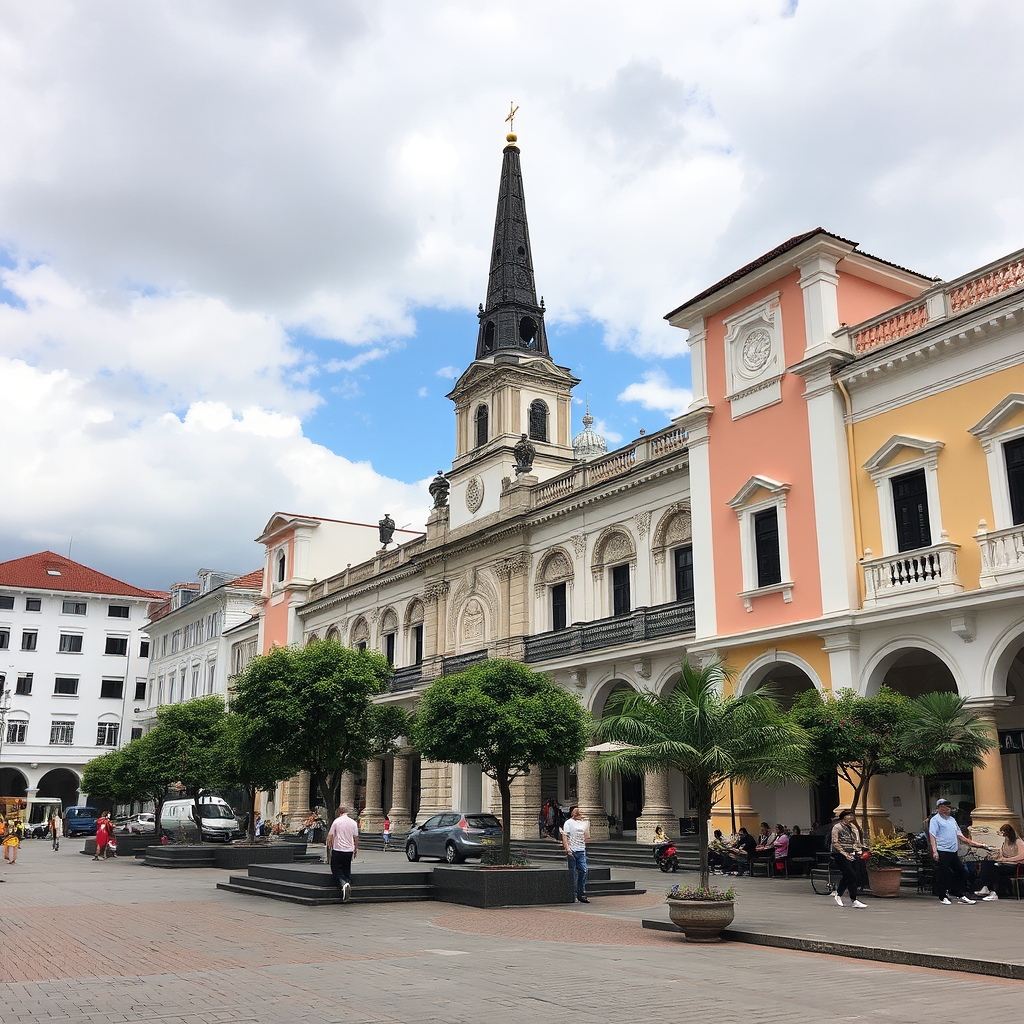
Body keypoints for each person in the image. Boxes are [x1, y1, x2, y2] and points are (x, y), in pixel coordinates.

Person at [929, 798, 989, 904]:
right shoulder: (935, 820)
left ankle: (958, 893)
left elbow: (960, 835)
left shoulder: (952, 820)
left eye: (949, 807)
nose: (948, 809)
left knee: (960, 872)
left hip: (953, 850)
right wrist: (934, 851)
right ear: (940, 808)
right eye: (946, 807)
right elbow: (932, 836)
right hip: (942, 850)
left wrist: (975, 844)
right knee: (943, 873)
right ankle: (942, 896)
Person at [973, 823, 1024, 900]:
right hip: (1007, 864)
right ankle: (986, 887)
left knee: (994, 869)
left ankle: (993, 891)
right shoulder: (1005, 843)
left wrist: (1007, 860)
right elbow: (1003, 855)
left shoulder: (1018, 842)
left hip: (1017, 866)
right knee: (988, 863)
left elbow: (1022, 856)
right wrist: (999, 859)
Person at [830, 809, 868, 908]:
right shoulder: (837, 827)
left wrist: (858, 849)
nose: (851, 818)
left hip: (851, 853)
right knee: (851, 874)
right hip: (840, 854)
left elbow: (854, 841)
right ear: (844, 817)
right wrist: (844, 853)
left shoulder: (851, 828)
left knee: (851, 876)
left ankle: (853, 899)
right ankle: (839, 894)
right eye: (849, 816)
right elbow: (835, 842)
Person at [326, 804, 359, 902]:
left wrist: (329, 846)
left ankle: (343, 882)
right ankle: (348, 883)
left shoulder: (337, 821)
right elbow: (355, 837)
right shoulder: (353, 823)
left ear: (339, 813)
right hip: (349, 850)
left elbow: (330, 836)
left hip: (338, 848)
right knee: (346, 868)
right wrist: (355, 849)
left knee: (335, 867)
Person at [560, 805, 590, 903]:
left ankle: (581, 893)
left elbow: (586, 837)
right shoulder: (568, 823)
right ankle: (572, 894)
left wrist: (587, 827)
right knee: (572, 872)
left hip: (581, 850)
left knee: (583, 871)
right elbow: (565, 837)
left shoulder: (583, 823)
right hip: (572, 850)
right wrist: (568, 850)